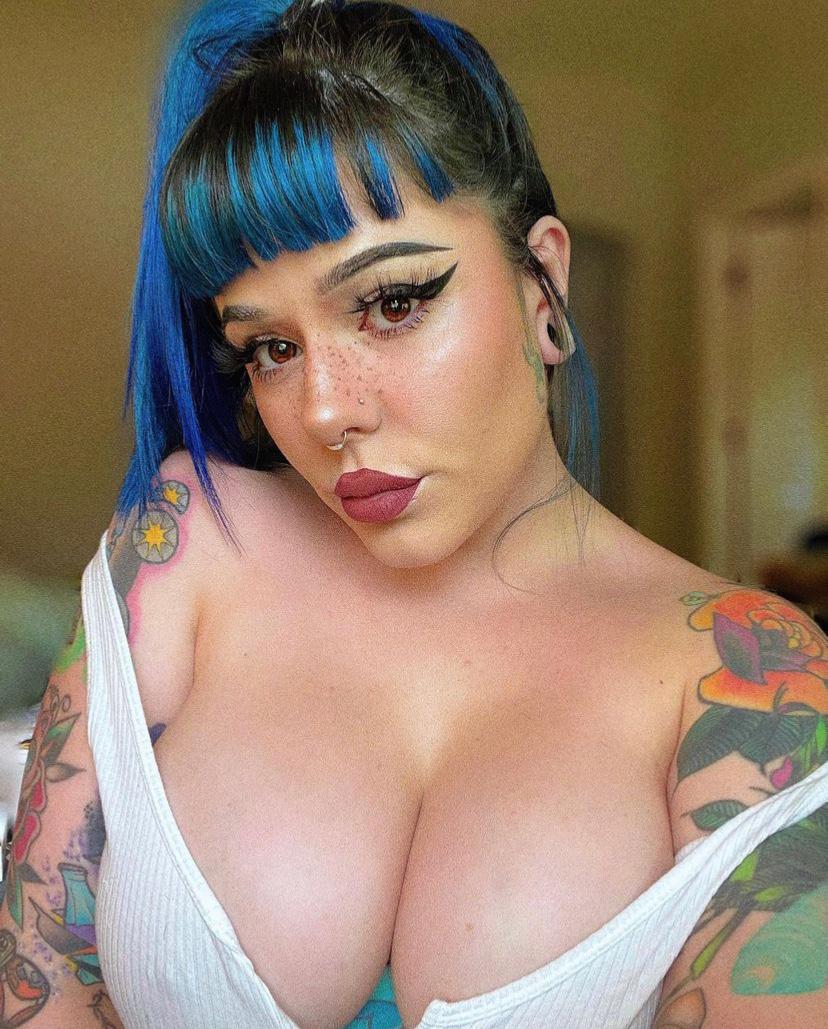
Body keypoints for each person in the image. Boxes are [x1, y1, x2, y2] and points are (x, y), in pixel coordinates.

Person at [2, 1, 827, 1027]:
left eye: (392, 302)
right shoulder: (184, 548)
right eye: (270, 347)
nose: (325, 410)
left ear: (543, 285)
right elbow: (41, 960)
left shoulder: (749, 680)